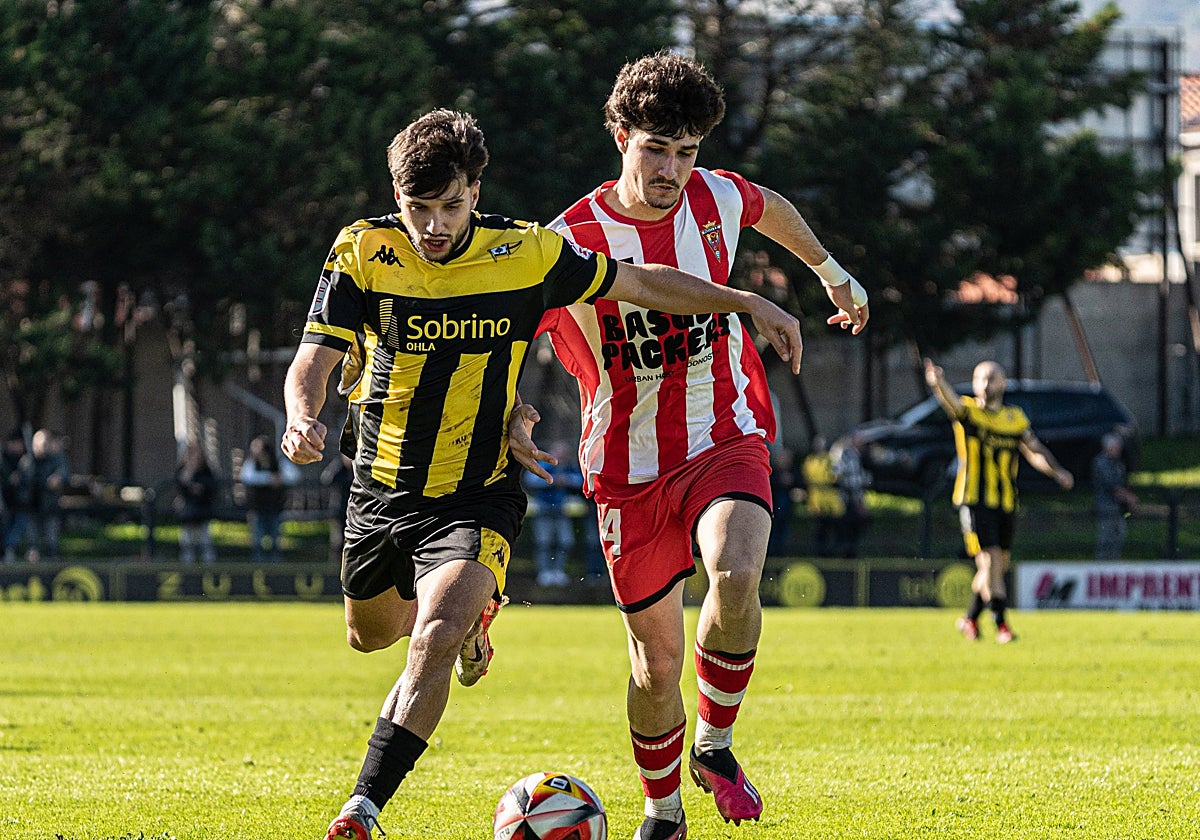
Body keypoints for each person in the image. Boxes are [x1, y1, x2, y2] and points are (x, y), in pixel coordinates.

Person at [278, 108, 804, 840]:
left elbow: (642, 284)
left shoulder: (525, 253)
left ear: (476, 189)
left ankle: (362, 807)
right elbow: (314, 357)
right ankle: (469, 626)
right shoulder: (363, 251)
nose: (434, 225)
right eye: (417, 207)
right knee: (374, 636)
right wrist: (302, 415)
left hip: (477, 492)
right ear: (395, 197)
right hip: (381, 490)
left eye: (451, 206)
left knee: (433, 634)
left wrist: (745, 300)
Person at [509, 52, 868, 840]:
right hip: (625, 467)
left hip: (725, 431)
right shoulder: (569, 239)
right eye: (655, 149)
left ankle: (716, 742)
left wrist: (831, 271)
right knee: (655, 664)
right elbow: (510, 334)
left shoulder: (714, 197)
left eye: (687, 152)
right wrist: (511, 410)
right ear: (618, 136)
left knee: (736, 571)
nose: (673, 169)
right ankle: (663, 811)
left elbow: (766, 205)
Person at [924, 358, 1073, 644]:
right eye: (980, 378)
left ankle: (969, 618)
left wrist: (1057, 472)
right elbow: (950, 403)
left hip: (1005, 500)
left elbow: (1033, 450)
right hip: (974, 499)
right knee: (990, 562)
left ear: (1002, 383)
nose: (985, 383)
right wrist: (939, 383)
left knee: (996, 567)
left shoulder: (1014, 418)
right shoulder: (969, 412)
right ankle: (1002, 624)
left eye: (991, 378)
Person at [520, 440, 581, 587]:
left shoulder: (569, 467)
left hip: (562, 510)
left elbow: (580, 480)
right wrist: (551, 481)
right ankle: (544, 572)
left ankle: (558, 572)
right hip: (543, 509)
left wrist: (566, 480)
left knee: (565, 542)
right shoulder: (544, 465)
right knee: (543, 542)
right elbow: (530, 479)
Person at [240, 433, 298, 563]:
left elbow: (294, 475)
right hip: (257, 507)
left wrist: (280, 479)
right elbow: (246, 477)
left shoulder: (278, 463)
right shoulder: (251, 463)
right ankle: (258, 564)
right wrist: (268, 478)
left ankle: (275, 566)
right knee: (257, 539)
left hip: (275, 507)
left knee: (275, 538)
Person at [23, 429, 70, 563]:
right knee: (32, 544)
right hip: (31, 507)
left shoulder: (56, 459)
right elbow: (23, 482)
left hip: (50, 507)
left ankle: (52, 571)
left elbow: (64, 474)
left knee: (51, 542)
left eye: (43, 443)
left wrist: (57, 479)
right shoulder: (27, 462)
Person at [1092, 433, 1137, 560]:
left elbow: (1122, 482)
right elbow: (1111, 485)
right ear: (1108, 447)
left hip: (1118, 507)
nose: (1119, 449)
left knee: (1119, 535)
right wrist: (1129, 497)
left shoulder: (1118, 463)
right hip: (1106, 506)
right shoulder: (1100, 462)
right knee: (1105, 537)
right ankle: (1101, 565)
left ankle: (1113, 563)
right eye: (1116, 447)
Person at [175, 441, 218, 564]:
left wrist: (201, 487)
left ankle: (209, 566)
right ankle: (187, 566)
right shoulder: (183, 468)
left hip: (203, 509)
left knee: (205, 540)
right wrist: (191, 466)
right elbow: (182, 481)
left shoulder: (206, 469)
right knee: (187, 542)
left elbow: (212, 487)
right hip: (188, 510)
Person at [801, 436, 843, 558]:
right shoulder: (809, 460)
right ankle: (821, 554)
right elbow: (807, 478)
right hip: (816, 500)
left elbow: (835, 476)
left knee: (835, 527)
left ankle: (835, 553)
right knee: (820, 529)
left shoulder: (830, 459)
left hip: (830, 500)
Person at [831, 431, 871, 559]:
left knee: (849, 529)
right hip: (850, 500)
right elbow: (852, 480)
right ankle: (846, 554)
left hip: (848, 499)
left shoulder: (852, 455)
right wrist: (859, 501)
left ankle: (845, 553)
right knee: (850, 529)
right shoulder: (850, 455)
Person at [1, 432, 31, 563]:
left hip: (20, 503)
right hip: (5, 502)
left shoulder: (26, 460)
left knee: (21, 523)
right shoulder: (3, 459)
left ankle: (9, 548)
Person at [321, 453, 355, 565]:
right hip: (339, 510)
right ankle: (335, 565)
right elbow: (326, 479)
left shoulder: (357, 469)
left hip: (355, 512)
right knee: (338, 541)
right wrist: (339, 464)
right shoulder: (339, 468)